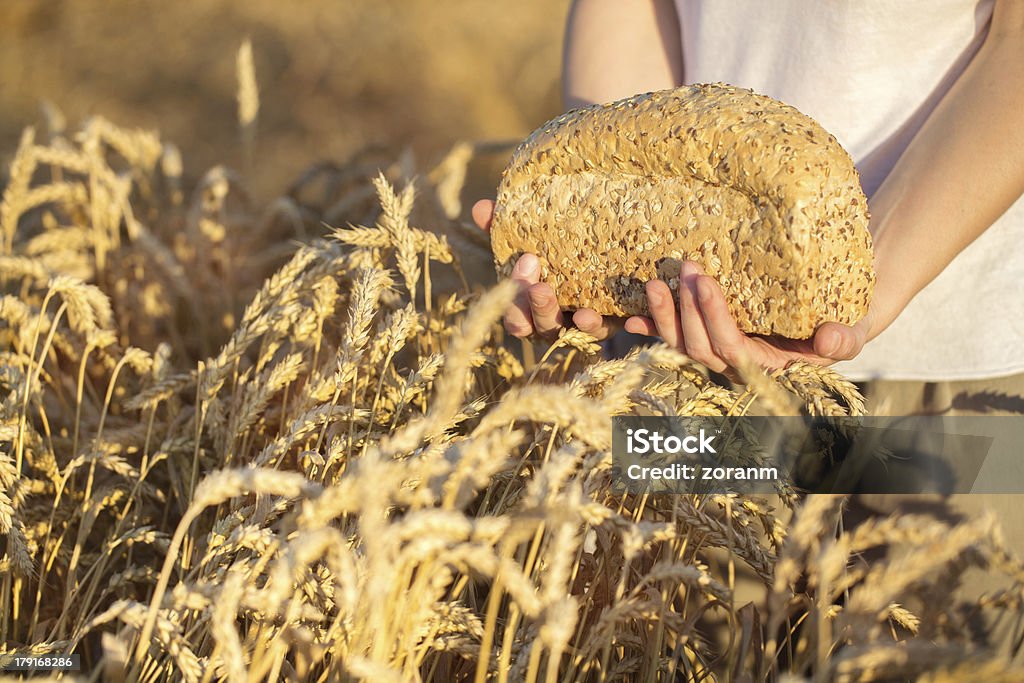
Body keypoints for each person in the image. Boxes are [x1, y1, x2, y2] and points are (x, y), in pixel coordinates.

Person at [472, 0, 1024, 657]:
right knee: (692, 656)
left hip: (958, 378)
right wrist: (608, 233)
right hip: (691, 352)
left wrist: (862, 286)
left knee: (954, 654)